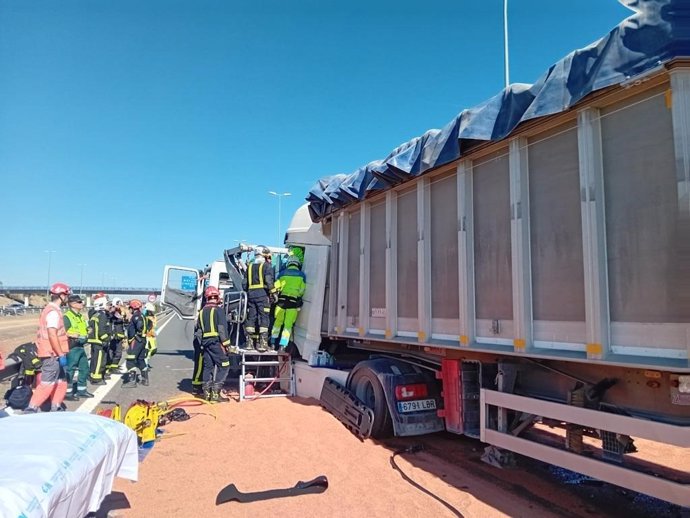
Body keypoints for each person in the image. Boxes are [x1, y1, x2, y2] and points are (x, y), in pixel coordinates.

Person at [24, 282, 71, 413]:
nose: (68, 298)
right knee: (47, 383)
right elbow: (52, 334)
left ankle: (56, 406)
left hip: (55, 353)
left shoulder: (54, 311)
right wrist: (60, 354)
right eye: (66, 295)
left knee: (61, 381)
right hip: (52, 354)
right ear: (61, 295)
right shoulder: (53, 312)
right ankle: (31, 408)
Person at [195, 286, 234, 402]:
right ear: (217, 297)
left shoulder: (201, 312)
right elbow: (222, 329)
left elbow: (198, 331)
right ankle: (216, 394)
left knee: (208, 367)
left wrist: (202, 344)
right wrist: (227, 345)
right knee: (225, 365)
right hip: (216, 343)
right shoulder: (219, 310)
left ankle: (207, 394)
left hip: (205, 344)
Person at [243, 245, 276, 352]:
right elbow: (268, 280)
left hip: (251, 295)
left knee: (252, 317)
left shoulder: (250, 267)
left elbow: (244, 284)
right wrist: (274, 292)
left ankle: (249, 343)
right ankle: (263, 343)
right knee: (264, 317)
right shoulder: (267, 266)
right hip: (263, 295)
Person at [271, 255, 306, 351]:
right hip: (293, 303)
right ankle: (282, 346)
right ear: (298, 264)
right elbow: (302, 290)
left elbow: (276, 286)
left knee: (277, 323)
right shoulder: (302, 275)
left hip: (281, 302)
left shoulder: (282, 274)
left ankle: (273, 343)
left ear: (288, 263)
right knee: (288, 325)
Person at [63, 294, 94, 400]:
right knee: (70, 370)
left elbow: (85, 328)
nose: (82, 303)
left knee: (84, 368)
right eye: (80, 302)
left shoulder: (80, 316)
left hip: (81, 346)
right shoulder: (67, 317)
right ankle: (67, 393)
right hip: (72, 347)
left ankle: (82, 390)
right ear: (72, 304)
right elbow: (62, 331)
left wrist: (88, 330)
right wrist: (72, 334)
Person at [123, 299, 148, 388]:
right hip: (142, 340)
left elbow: (139, 326)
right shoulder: (142, 315)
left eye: (130, 308)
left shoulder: (136, 316)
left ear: (133, 308)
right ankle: (145, 379)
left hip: (136, 340)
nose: (129, 310)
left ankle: (132, 381)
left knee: (130, 359)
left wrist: (135, 336)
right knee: (141, 359)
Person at [88, 296, 112, 385]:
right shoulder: (102, 316)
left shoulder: (95, 315)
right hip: (99, 342)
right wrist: (107, 339)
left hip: (94, 341)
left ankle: (92, 375)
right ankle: (97, 379)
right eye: (107, 304)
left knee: (94, 360)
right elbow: (102, 331)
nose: (109, 306)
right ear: (101, 305)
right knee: (99, 361)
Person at [106, 298, 126, 375]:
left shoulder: (120, 312)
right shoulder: (111, 313)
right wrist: (113, 311)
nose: (120, 306)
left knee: (118, 353)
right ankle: (109, 368)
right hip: (113, 335)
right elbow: (109, 319)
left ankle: (114, 367)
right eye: (118, 304)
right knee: (111, 352)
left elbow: (124, 321)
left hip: (120, 335)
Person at [143, 302, 157, 369]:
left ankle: (146, 360)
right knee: (147, 350)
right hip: (147, 336)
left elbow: (154, 326)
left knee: (154, 349)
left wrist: (154, 332)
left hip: (152, 336)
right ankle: (145, 363)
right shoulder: (145, 317)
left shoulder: (154, 317)